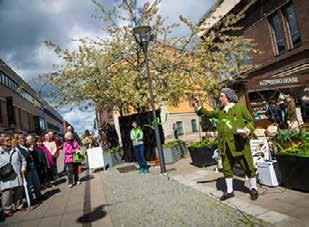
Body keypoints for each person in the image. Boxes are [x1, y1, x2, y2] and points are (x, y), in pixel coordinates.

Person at [192, 88, 258, 201]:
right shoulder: (220, 111)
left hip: (240, 144)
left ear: (228, 97)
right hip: (225, 145)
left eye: (222, 96)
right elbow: (209, 114)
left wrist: (247, 130)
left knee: (248, 166)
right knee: (227, 168)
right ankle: (229, 191)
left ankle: (253, 188)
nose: (220, 98)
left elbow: (251, 120)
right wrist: (198, 107)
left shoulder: (240, 107)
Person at [0, 134, 27, 217]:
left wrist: (23, 168)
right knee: (6, 193)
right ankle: (7, 210)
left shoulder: (15, 149)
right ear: (1, 143)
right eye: (7, 140)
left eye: (9, 140)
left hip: (17, 174)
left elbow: (23, 160)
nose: (9, 141)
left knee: (18, 191)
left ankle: (19, 205)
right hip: (5, 176)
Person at [16, 134, 41, 202]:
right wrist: (30, 151)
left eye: (24, 138)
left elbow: (34, 155)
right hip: (27, 169)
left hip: (33, 167)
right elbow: (24, 158)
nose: (23, 139)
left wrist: (33, 149)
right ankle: (30, 199)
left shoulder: (26, 146)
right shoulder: (18, 149)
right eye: (21, 138)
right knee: (28, 185)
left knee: (37, 183)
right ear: (17, 140)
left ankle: (38, 196)